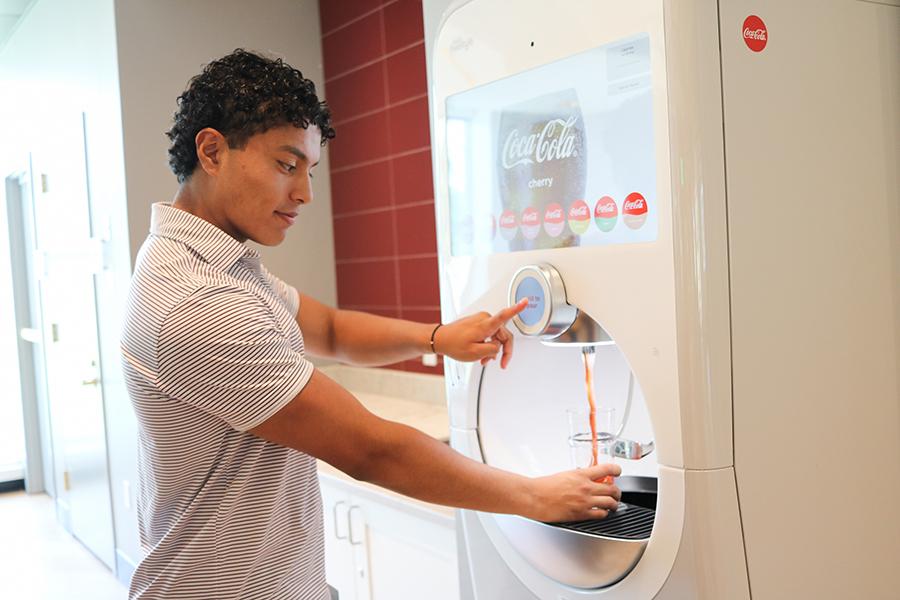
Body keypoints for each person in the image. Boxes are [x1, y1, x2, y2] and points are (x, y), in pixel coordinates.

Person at [121, 49, 621, 600]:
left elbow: (331, 330)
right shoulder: (198, 300)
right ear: (212, 151)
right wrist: (535, 497)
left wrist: (437, 338)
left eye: (309, 171)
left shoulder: (215, 262)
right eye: (287, 166)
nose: (305, 194)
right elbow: (370, 450)